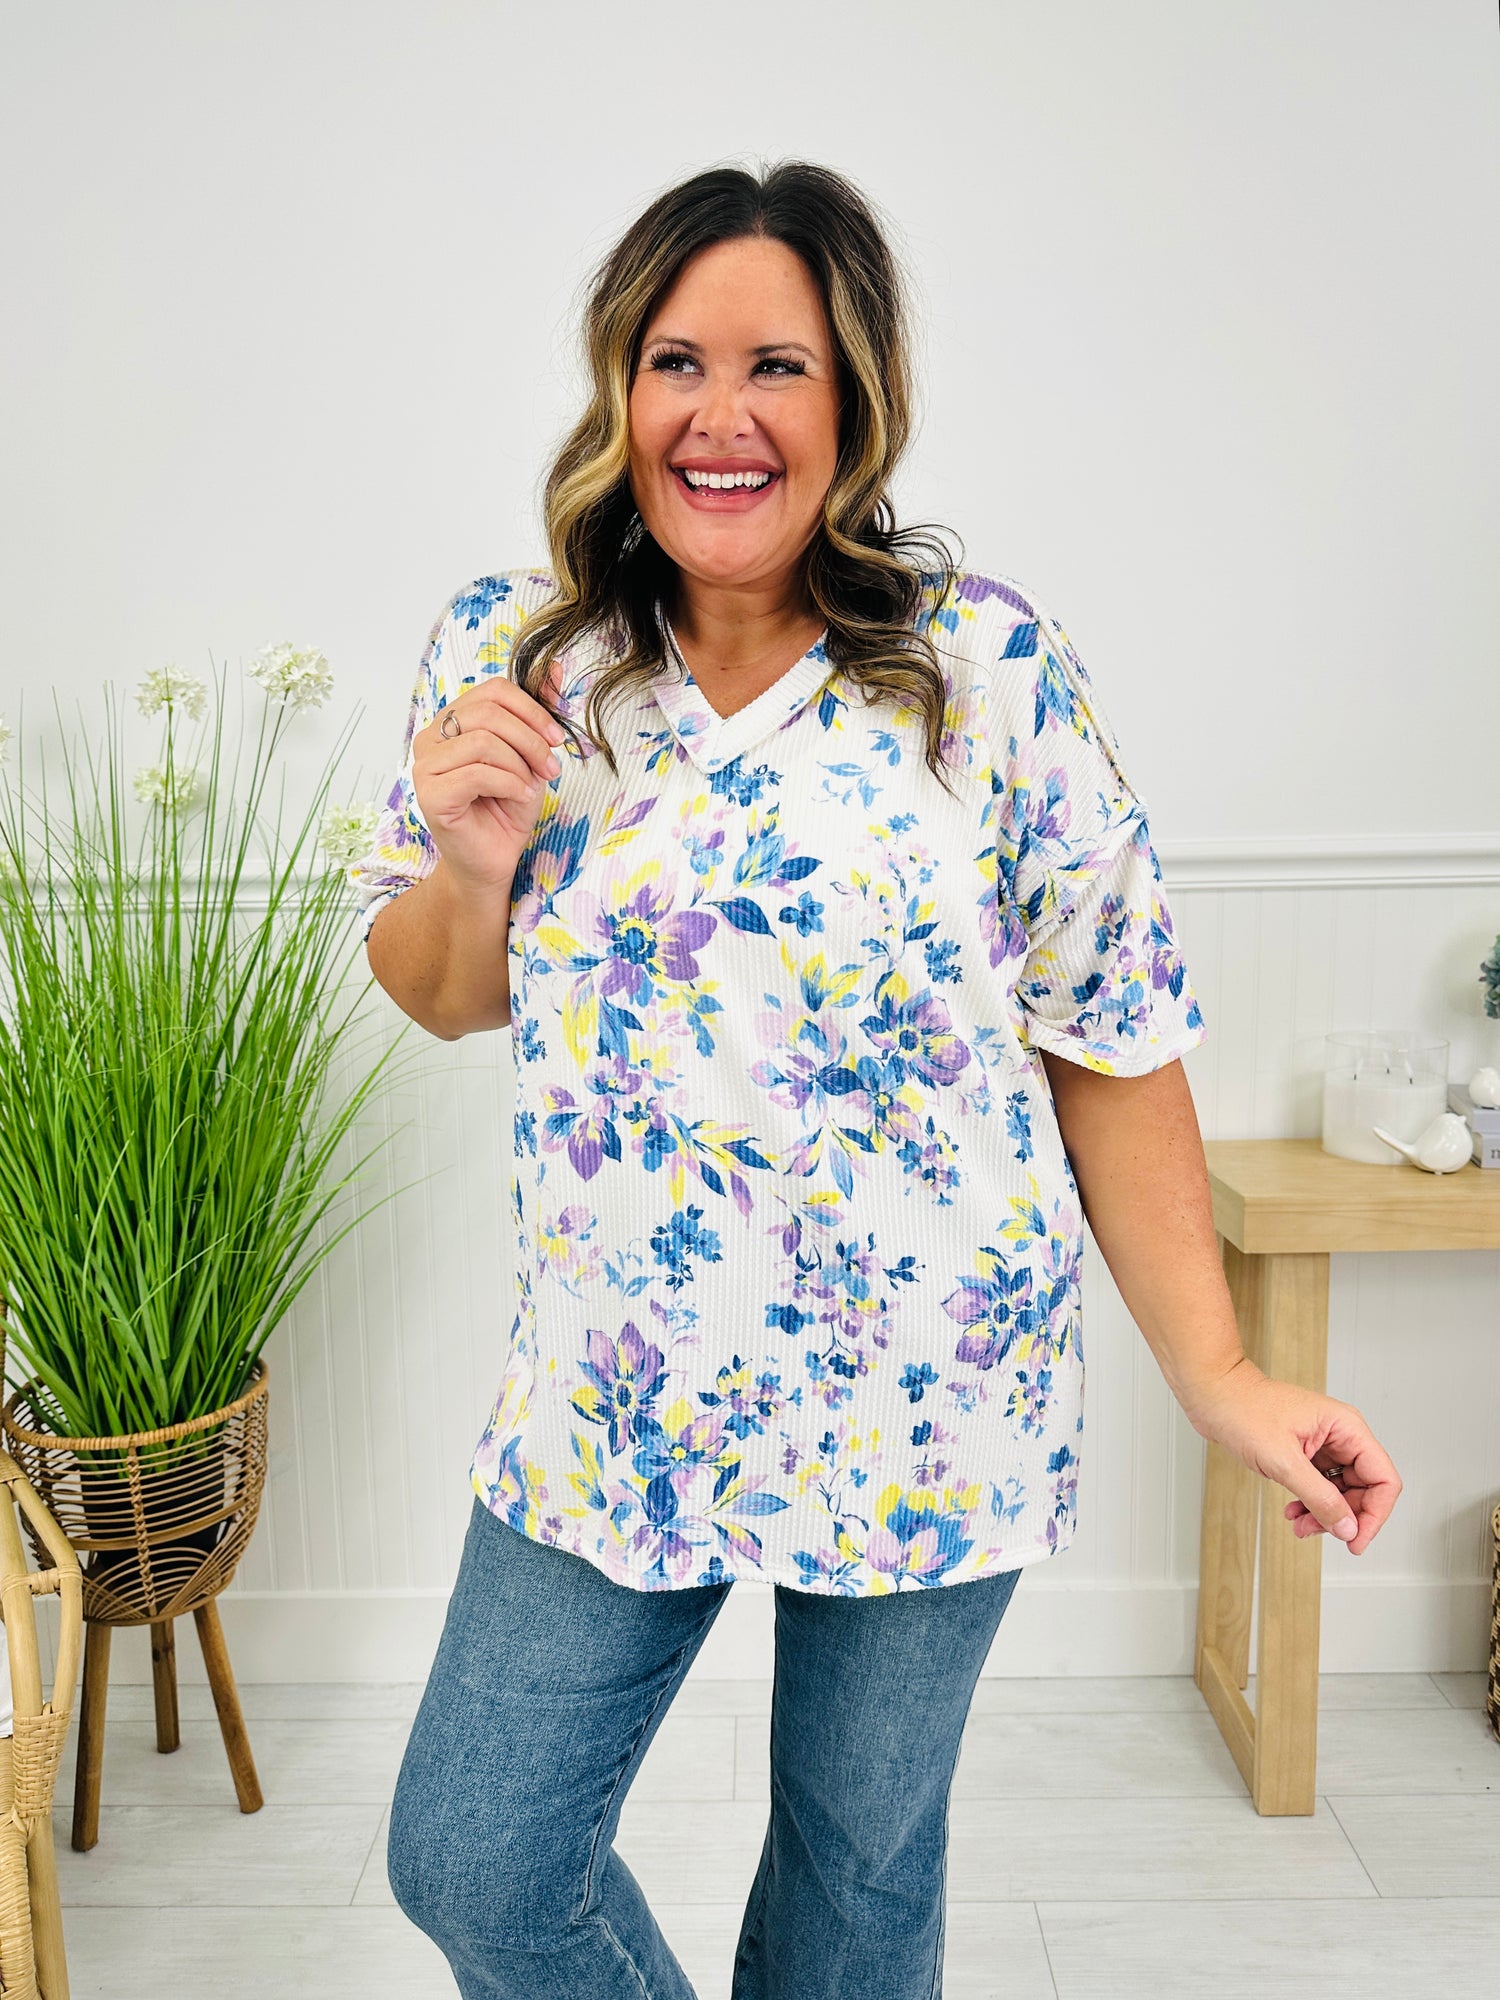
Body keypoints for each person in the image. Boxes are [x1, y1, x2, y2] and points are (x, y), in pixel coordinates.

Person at [349, 158, 1402, 2000]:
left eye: (779, 365)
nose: (722, 414)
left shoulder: (982, 667)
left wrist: (1223, 1375)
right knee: (476, 1857)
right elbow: (442, 997)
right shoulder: (518, 658)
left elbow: (1111, 1034)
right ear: (620, 389)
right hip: (616, 1386)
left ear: (855, 400)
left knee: (853, 1891)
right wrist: (469, 860)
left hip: (933, 1393)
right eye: (677, 362)